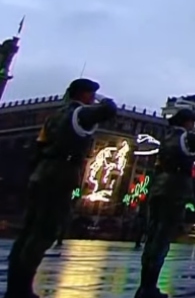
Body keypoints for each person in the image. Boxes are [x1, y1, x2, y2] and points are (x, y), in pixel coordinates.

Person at [5, 78, 118, 298]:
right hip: (61, 173)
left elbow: (40, 145)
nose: (93, 99)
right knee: (46, 230)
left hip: (43, 172)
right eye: (91, 95)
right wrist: (104, 99)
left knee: (29, 230)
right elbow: (109, 110)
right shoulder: (79, 113)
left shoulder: (54, 117)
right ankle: (22, 288)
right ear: (85, 95)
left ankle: (15, 285)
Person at [135, 108, 195, 298]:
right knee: (162, 239)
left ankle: (145, 285)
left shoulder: (166, 138)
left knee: (152, 237)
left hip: (159, 187)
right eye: (193, 122)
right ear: (188, 122)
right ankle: (149, 288)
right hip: (174, 189)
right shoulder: (185, 139)